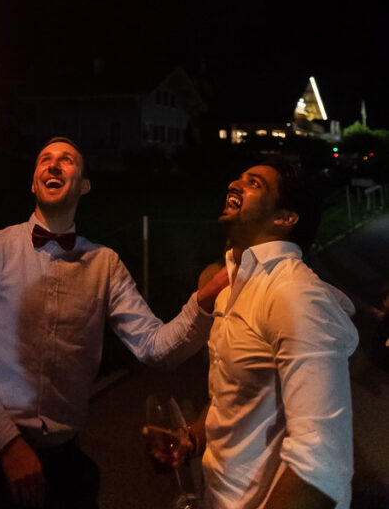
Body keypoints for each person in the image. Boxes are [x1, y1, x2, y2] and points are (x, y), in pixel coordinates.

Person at [0, 137, 228, 509]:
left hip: (61, 468)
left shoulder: (104, 264)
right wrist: (8, 443)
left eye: (67, 160)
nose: (54, 165)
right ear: (33, 182)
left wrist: (206, 297)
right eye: (44, 159)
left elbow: (155, 347)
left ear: (84, 185)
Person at [144, 155, 358, 509]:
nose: (235, 184)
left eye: (254, 183)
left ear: (284, 218)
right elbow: (233, 395)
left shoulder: (295, 295)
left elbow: (320, 467)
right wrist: (191, 440)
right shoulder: (230, 286)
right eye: (239, 178)